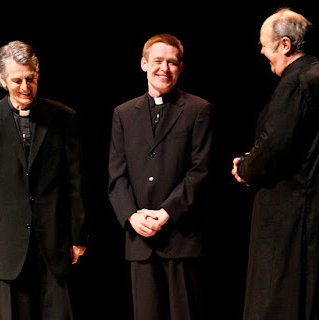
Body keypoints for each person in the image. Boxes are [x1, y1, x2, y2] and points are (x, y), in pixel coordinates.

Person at [0, 40, 89, 320]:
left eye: (30, 79)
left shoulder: (64, 117)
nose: (25, 87)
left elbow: (76, 182)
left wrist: (78, 235)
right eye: (16, 80)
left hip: (55, 245)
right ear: (1, 79)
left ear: (38, 74)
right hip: (6, 247)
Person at [231, 9, 319, 319]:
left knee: (281, 302)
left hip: (292, 219)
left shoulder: (296, 84)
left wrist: (244, 168)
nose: (262, 51)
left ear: (285, 44)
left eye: (264, 44)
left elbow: (274, 149)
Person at [108, 34, 213, 320]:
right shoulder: (124, 113)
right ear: (144, 64)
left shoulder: (198, 110)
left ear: (180, 68)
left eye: (171, 62)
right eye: (157, 61)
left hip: (182, 237)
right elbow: (117, 176)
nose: (164, 68)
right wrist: (131, 216)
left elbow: (200, 171)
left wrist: (167, 212)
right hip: (140, 242)